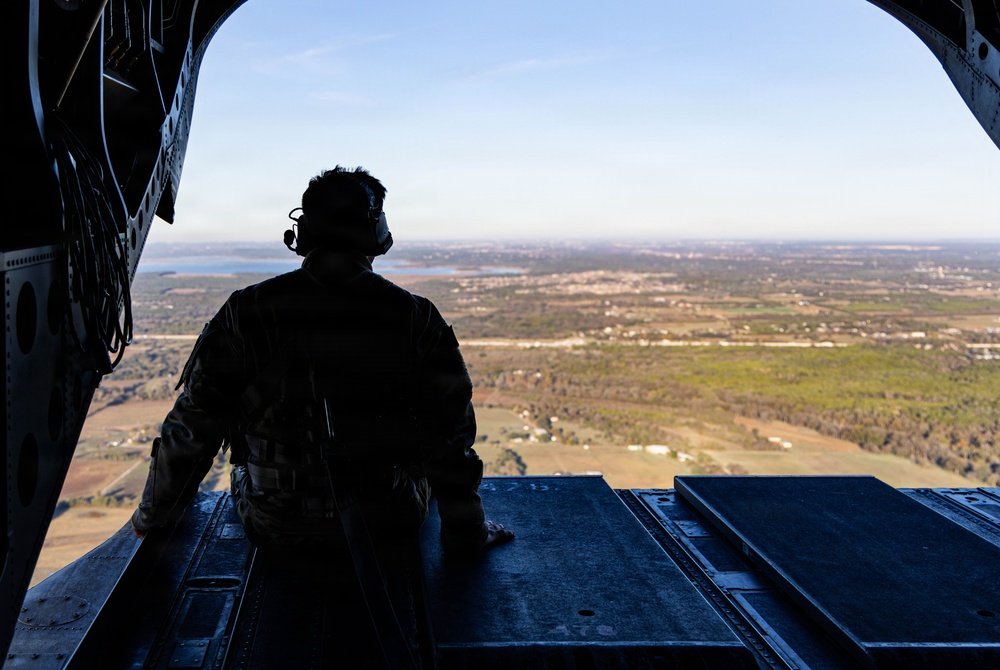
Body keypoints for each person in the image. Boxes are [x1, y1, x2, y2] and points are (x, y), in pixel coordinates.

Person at [131, 166, 513, 557]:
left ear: (302, 232)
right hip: (387, 523)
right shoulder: (415, 316)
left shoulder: (244, 311)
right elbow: (451, 436)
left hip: (274, 526)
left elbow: (192, 425)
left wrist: (151, 518)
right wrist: (468, 532)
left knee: (241, 471)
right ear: (376, 233)